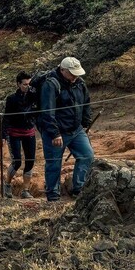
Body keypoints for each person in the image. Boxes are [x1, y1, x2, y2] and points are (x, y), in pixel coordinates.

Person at [37, 57, 94, 202]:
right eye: (72, 73)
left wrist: (86, 123)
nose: (75, 76)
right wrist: (55, 133)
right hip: (55, 132)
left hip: (76, 130)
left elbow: (86, 103)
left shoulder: (80, 83)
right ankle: (53, 195)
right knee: (54, 163)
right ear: (63, 70)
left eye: (77, 73)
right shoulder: (51, 85)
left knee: (87, 155)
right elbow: (47, 111)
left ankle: (78, 188)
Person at [2, 71, 37, 199]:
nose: (27, 86)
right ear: (18, 84)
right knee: (17, 161)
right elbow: (6, 117)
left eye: (29, 84)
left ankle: (25, 190)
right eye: (24, 84)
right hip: (14, 132)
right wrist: (3, 136)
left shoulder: (34, 95)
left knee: (30, 161)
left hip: (29, 131)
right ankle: (7, 185)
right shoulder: (11, 99)